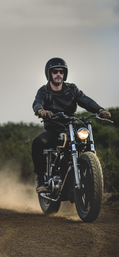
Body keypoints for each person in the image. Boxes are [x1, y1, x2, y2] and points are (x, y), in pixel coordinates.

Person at [32, 57, 111, 193]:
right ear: (49, 74)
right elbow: (37, 103)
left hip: (71, 128)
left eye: (61, 72)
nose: (58, 74)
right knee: (37, 143)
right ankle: (41, 179)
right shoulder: (43, 92)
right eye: (55, 71)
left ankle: (88, 178)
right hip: (54, 130)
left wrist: (100, 110)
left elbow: (85, 100)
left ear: (65, 74)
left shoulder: (72, 89)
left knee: (84, 141)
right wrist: (41, 111)